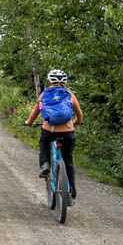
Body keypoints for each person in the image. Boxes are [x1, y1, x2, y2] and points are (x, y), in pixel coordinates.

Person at [24, 69, 83, 201]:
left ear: (49, 81)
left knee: (44, 143)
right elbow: (79, 115)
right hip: (68, 132)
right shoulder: (70, 94)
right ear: (65, 82)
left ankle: (45, 164)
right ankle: (71, 194)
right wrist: (77, 122)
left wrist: (29, 122)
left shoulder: (44, 95)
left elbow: (36, 111)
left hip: (49, 131)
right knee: (68, 159)